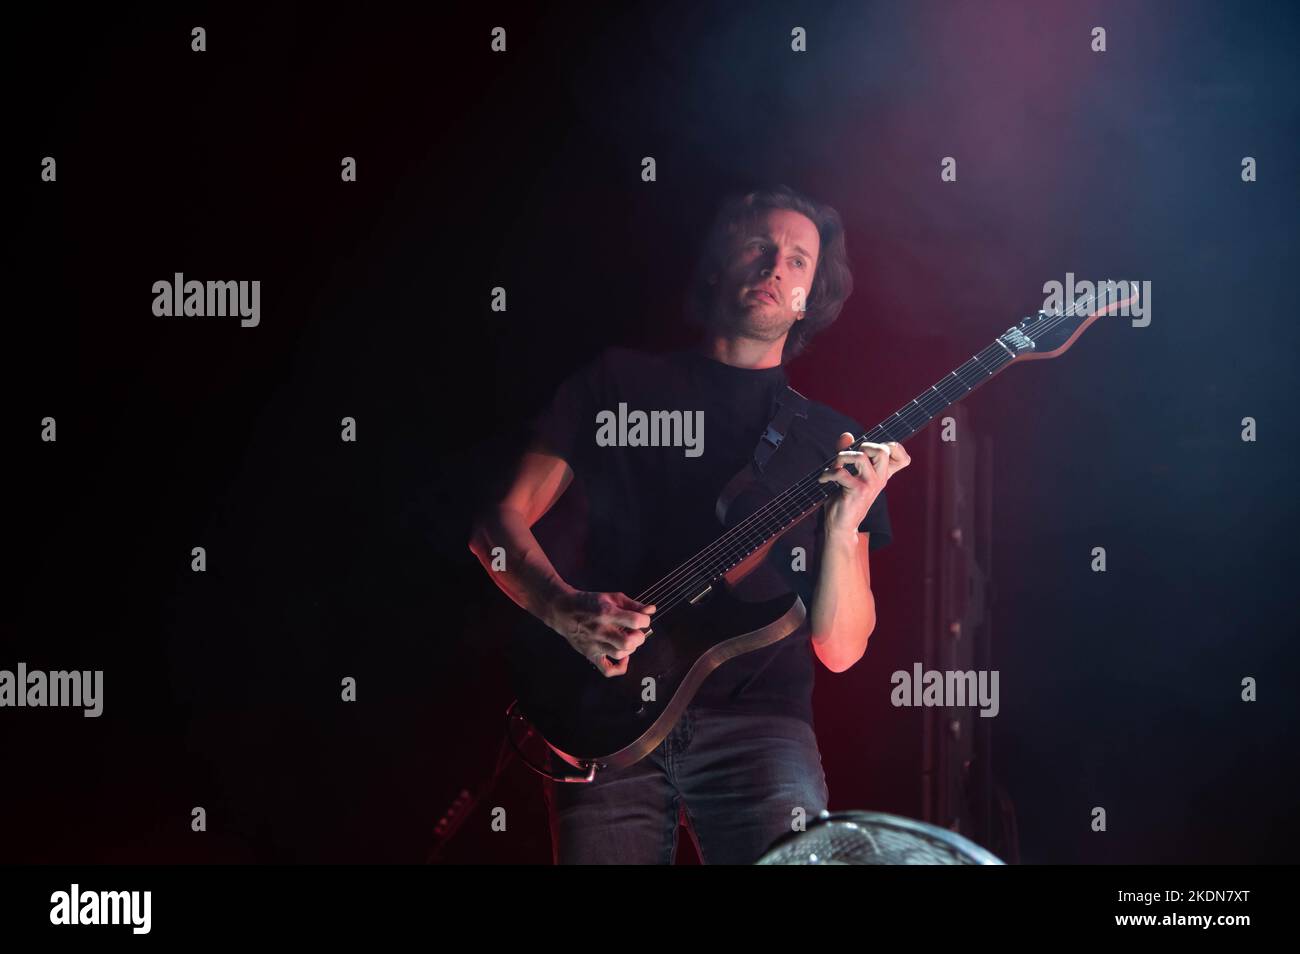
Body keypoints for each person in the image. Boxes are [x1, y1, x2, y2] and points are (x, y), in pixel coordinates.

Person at [469, 184, 911, 864]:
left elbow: (841, 648)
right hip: (602, 719)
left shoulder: (834, 442)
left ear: (811, 295)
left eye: (798, 261)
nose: (774, 268)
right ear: (717, 263)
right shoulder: (616, 383)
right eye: (760, 247)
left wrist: (845, 522)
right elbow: (494, 526)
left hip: (760, 730)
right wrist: (562, 610)